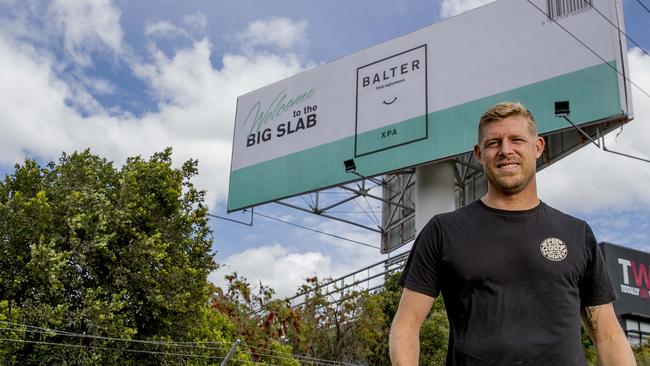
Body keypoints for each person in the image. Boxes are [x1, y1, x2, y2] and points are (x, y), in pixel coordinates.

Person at [389, 102, 636, 365]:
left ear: (538, 146)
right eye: (494, 143)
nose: (505, 150)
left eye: (516, 139)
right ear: (479, 153)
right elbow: (406, 325)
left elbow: (608, 334)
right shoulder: (443, 230)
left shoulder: (576, 233)